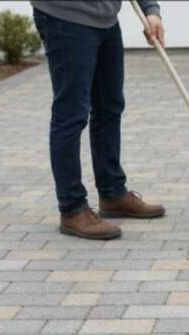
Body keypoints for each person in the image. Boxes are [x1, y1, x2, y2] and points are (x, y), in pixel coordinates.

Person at [31, 0, 166, 240]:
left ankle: (113, 193)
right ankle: (72, 209)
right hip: (65, 17)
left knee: (110, 107)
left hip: (106, 21)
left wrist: (151, 11)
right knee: (71, 115)